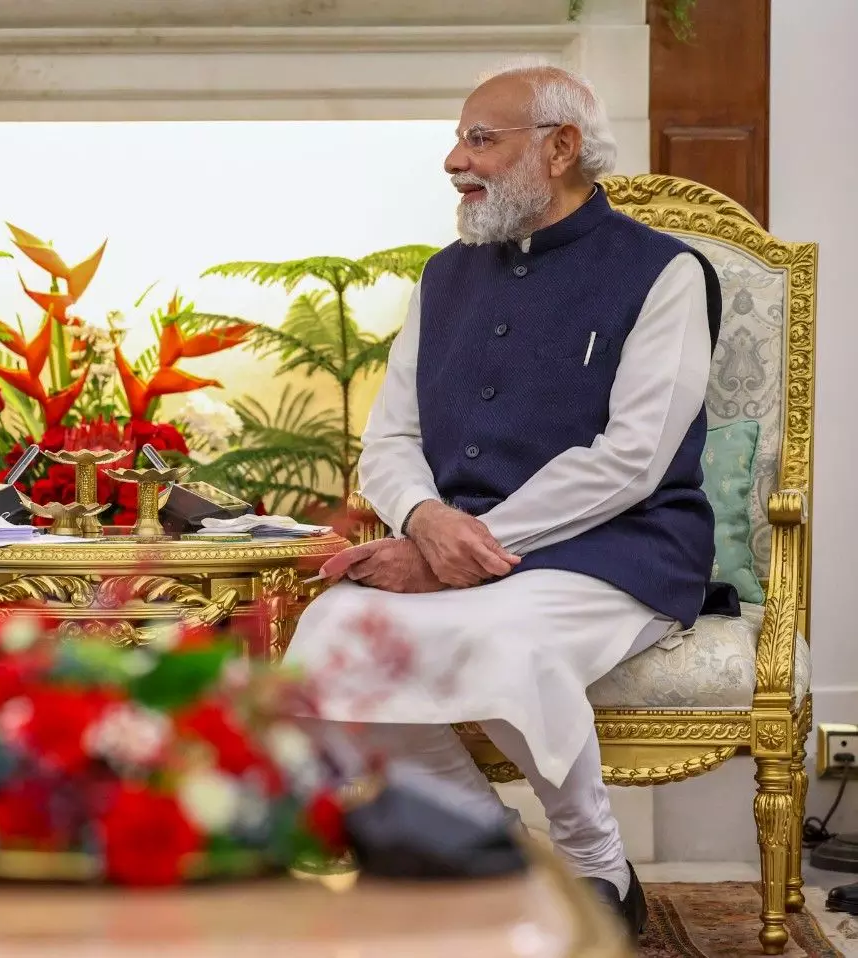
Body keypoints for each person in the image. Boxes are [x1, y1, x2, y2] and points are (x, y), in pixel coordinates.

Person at [284, 62, 722, 937]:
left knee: (506, 636)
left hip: (621, 548)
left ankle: (597, 866)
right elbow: (390, 440)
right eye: (458, 140)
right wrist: (424, 521)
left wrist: (464, 544)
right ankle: (495, 850)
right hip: (449, 543)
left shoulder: (665, 272)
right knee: (334, 638)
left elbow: (633, 460)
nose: (455, 160)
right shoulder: (444, 276)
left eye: (481, 139)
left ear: (561, 148)